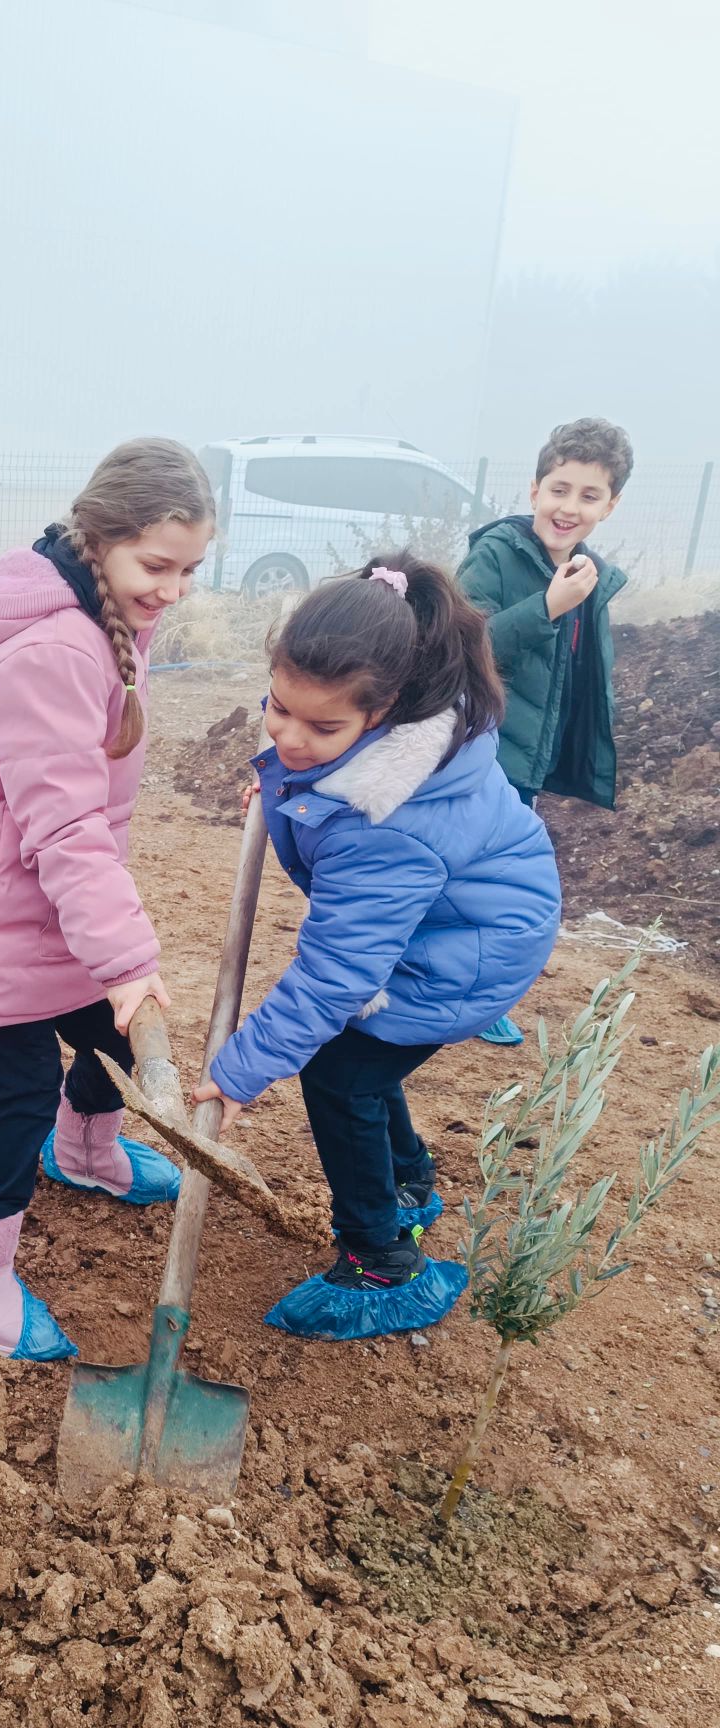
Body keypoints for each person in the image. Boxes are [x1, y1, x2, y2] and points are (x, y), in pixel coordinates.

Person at [193, 553, 561, 1342]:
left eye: (321, 728)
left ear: (384, 710)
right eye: (277, 708)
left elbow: (334, 977)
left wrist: (238, 1072)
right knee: (362, 1052)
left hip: (464, 953)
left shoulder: (386, 823)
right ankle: (408, 1182)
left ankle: (383, 1264)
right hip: (455, 922)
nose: (289, 736)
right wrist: (289, 781)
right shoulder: (400, 736)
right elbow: (322, 782)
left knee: (340, 1074)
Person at [0, 438, 214, 1361]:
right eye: (156, 566)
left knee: (117, 1039)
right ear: (98, 540)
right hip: (1, 916)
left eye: (190, 570)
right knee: (16, 1091)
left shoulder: (105, 616)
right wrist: (126, 958)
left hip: (54, 902)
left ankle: (84, 1154)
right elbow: (64, 828)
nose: (172, 588)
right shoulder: (51, 650)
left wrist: (115, 959)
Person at [458, 416, 632, 1045]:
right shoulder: (495, 557)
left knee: (501, 881)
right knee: (466, 877)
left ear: (610, 506)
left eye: (589, 495)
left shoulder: (591, 574)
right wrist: (546, 609)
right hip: (476, 751)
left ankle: (480, 995)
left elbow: (573, 677)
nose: (569, 507)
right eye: (559, 489)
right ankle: (445, 989)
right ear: (534, 490)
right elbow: (457, 647)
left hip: (525, 760)